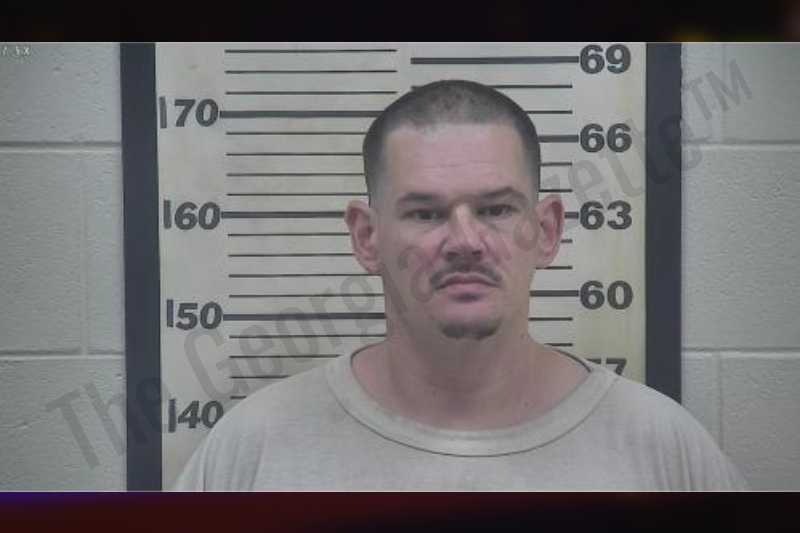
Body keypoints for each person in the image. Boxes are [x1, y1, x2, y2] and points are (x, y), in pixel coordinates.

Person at [172, 79, 748, 491]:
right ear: (367, 237)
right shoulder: (254, 450)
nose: (466, 241)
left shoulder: (663, 451)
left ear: (547, 231)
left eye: (496, 210)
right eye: (425, 213)